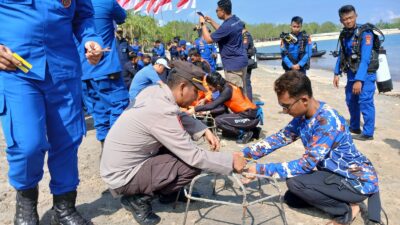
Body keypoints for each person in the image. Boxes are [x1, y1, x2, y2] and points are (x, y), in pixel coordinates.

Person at [100, 60, 247, 225]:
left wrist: (204, 130)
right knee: (190, 165)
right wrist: (231, 162)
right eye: (195, 92)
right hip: (124, 176)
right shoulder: (161, 111)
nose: (196, 98)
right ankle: (137, 199)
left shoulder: (155, 91)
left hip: (118, 165)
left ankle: (168, 193)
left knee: (179, 150)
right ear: (183, 87)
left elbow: (178, 114)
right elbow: (194, 157)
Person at [0, 2, 103, 225]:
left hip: (63, 68)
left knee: (67, 142)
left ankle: (64, 208)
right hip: (17, 70)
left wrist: (91, 40)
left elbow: (83, 16)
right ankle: (25, 207)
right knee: (28, 145)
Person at [242, 71, 380, 225]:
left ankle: (346, 211)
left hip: (354, 179)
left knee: (295, 183)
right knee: (292, 198)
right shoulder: (302, 116)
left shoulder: (327, 121)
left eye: (286, 107)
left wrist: (260, 170)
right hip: (332, 174)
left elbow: (306, 164)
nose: (285, 112)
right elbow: (281, 137)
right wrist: (245, 155)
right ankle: (347, 202)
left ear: (304, 100)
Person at [78, 0, 129, 147]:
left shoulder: (72, 6)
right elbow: (122, 17)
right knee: (118, 109)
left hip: (85, 72)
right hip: (107, 68)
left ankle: (105, 151)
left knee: (99, 114)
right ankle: (116, 152)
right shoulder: (106, 2)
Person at [333, 5, 377, 141]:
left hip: (366, 74)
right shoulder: (344, 34)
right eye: (345, 19)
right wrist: (336, 72)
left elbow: (365, 58)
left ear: (356, 16)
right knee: (351, 100)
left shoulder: (366, 33)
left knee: (365, 101)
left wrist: (359, 80)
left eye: (350, 18)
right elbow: (342, 54)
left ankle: (368, 133)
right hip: (351, 72)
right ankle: (354, 126)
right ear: (341, 20)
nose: (348, 21)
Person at [188, 72, 260, 144]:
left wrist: (194, 109)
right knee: (225, 132)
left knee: (218, 121)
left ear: (218, 86)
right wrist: (206, 109)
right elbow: (222, 108)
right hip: (246, 114)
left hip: (249, 115)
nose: (210, 90)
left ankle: (244, 133)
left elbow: (213, 105)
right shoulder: (225, 86)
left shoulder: (227, 90)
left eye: (211, 88)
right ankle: (253, 130)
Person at [199, 0, 248, 95]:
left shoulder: (227, 26)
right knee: (242, 92)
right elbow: (224, 31)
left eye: (217, 10)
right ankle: (247, 109)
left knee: (235, 96)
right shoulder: (236, 20)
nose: (216, 12)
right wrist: (211, 21)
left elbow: (208, 39)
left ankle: (242, 110)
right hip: (242, 61)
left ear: (223, 11)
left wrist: (203, 24)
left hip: (233, 66)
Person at [242, 25, 257, 101]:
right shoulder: (246, 35)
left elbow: (244, 50)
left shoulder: (246, 35)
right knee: (245, 82)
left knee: (246, 82)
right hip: (246, 61)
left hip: (246, 62)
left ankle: (248, 102)